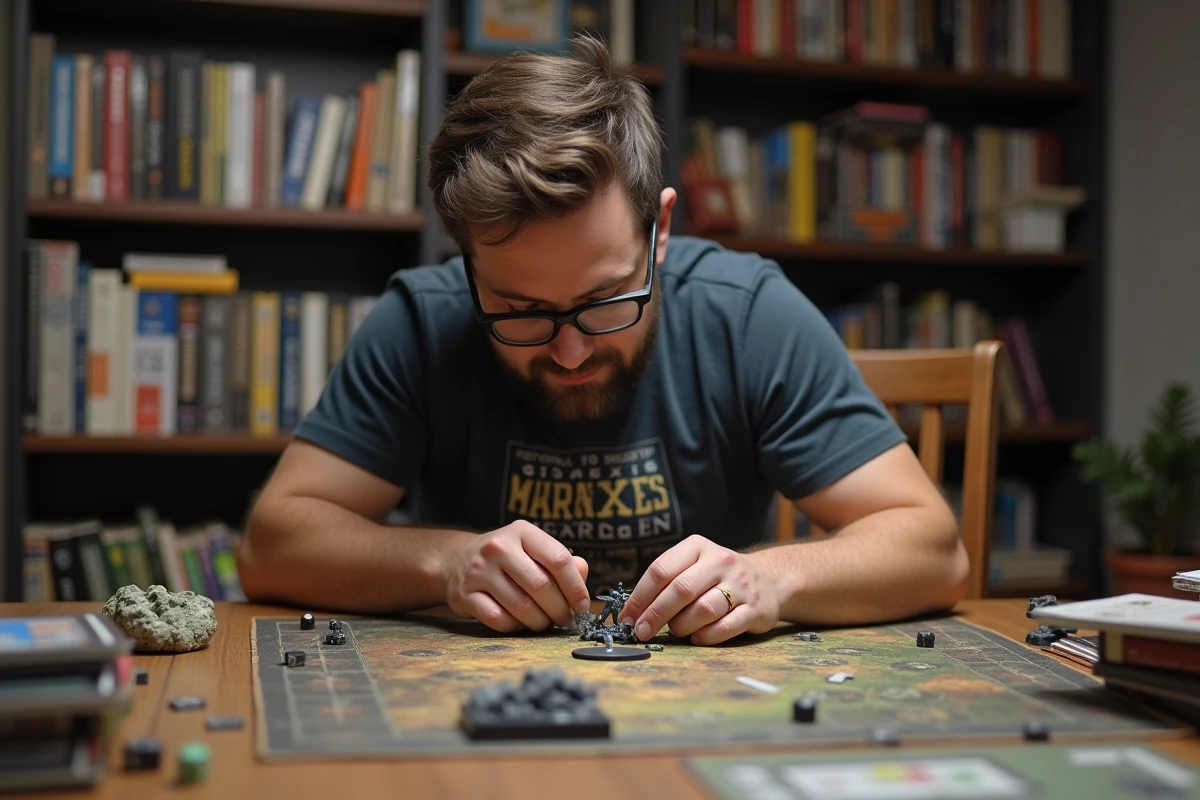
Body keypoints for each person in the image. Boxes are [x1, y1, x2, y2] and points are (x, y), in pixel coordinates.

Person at [237, 36, 968, 646]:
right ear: (466, 261)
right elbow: (274, 545)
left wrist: (772, 578)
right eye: (520, 309)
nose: (571, 353)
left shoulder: (749, 316)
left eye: (604, 300)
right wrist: (446, 561)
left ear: (662, 233)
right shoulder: (421, 322)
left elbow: (933, 550)